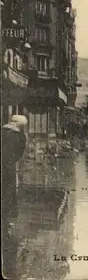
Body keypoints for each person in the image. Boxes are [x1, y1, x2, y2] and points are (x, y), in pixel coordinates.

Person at [1, 114, 28, 279]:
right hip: (8, 168)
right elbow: (20, 153)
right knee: (8, 193)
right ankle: (6, 219)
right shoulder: (20, 136)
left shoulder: (1, 132)